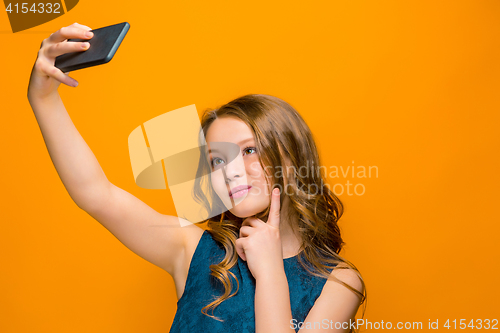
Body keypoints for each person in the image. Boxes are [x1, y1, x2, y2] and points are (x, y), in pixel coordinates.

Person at [28, 23, 367, 333]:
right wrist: (43, 99)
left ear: (292, 160)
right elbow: (96, 193)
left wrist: (270, 274)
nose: (230, 170)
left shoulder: (339, 282)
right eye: (217, 160)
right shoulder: (193, 251)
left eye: (249, 150)